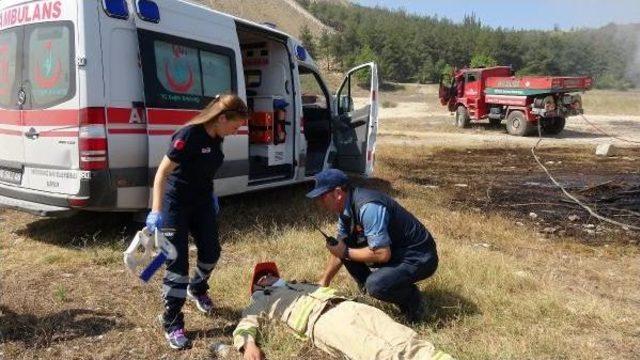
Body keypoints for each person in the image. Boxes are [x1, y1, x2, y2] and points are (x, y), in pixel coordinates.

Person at [145, 94, 249, 350]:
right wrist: (156, 211)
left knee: (211, 252)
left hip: (201, 202)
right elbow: (161, 174)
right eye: (235, 126)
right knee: (177, 267)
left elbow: (204, 170)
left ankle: (198, 288)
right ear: (222, 118)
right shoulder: (188, 135)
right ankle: (171, 321)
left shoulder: (218, 137)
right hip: (176, 204)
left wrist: (211, 194)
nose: (236, 132)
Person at [233, 262, 454, 360]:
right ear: (258, 286)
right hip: (323, 322)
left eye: (269, 273)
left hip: (348, 306)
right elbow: (246, 324)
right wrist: (248, 346)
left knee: (401, 336)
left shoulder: (299, 284)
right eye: (261, 277)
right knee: (376, 352)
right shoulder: (261, 298)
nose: (267, 276)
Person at [307, 169, 439, 322]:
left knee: (376, 285)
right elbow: (341, 247)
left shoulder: (368, 207)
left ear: (337, 193)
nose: (319, 203)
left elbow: (382, 254)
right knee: (348, 247)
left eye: (321, 197)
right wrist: (324, 281)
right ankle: (376, 287)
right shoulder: (345, 208)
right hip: (397, 252)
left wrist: (345, 252)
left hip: (420, 256)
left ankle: (413, 301)